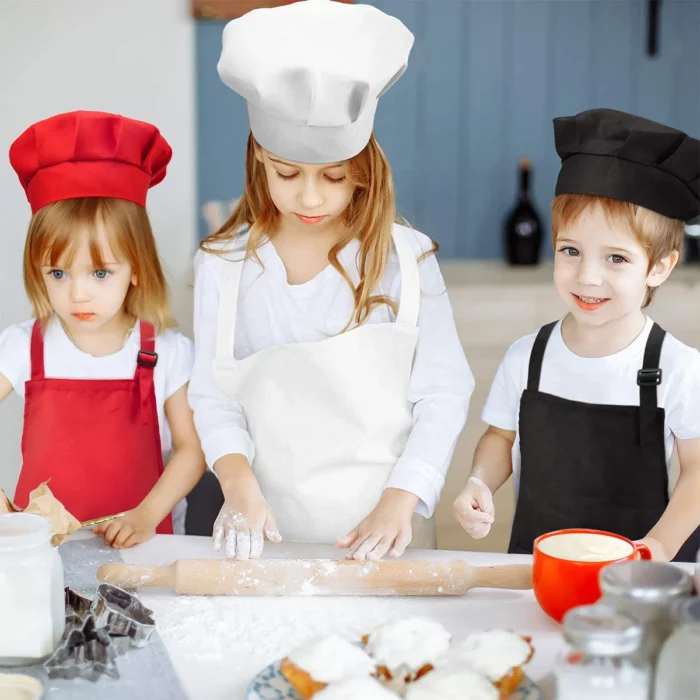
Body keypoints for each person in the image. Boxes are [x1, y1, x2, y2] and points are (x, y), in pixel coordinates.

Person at [187, 0, 474, 561]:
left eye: (334, 177)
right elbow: (213, 397)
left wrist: (402, 497)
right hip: (265, 536)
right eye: (287, 174)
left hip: (389, 534)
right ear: (258, 161)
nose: (311, 197)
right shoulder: (222, 264)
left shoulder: (405, 259)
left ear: (363, 170)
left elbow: (443, 392)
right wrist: (237, 482)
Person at [454, 108, 700, 562]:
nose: (587, 277)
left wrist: (659, 546)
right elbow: (500, 438)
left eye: (616, 259)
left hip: (639, 576)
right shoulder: (527, 357)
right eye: (571, 250)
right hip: (539, 569)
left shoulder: (679, 367)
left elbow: (697, 472)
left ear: (660, 267)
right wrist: (478, 482)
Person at [2, 110, 205, 544]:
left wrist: (146, 516)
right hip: (44, 552)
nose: (78, 294)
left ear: (136, 268)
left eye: (99, 273)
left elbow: (192, 450)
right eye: (58, 273)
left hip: (147, 549)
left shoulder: (167, 351)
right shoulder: (22, 348)